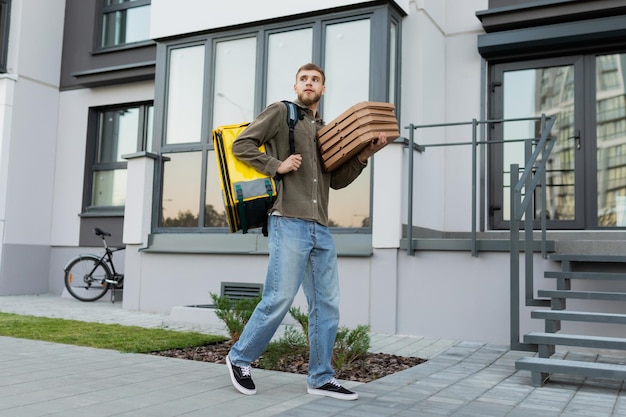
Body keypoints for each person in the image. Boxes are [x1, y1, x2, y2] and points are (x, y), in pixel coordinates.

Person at [226, 63, 388, 401]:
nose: (309, 83)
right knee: (279, 298)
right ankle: (239, 358)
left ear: (323, 89)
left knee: (327, 305)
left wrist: (365, 155)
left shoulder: (325, 130)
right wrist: (276, 165)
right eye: (304, 79)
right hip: (288, 220)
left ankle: (320, 378)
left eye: (315, 79)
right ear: (296, 85)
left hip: (320, 228)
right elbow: (241, 145)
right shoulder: (281, 112)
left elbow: (337, 181)